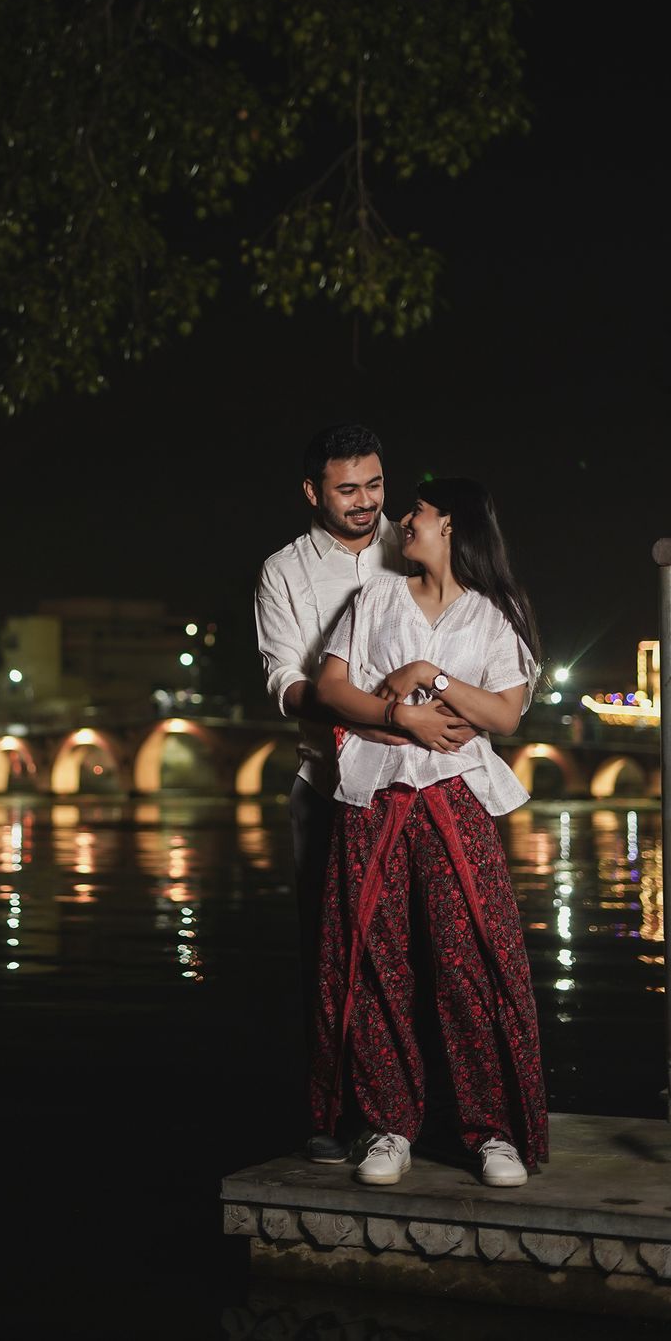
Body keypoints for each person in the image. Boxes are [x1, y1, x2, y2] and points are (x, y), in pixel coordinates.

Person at [309, 477, 549, 1189]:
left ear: (450, 524)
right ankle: (389, 1125)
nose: (401, 520)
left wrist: (427, 676)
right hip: (376, 791)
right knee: (374, 954)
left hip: (456, 794)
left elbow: (505, 715)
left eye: (415, 511)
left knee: (470, 955)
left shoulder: (492, 613)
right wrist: (400, 717)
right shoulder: (375, 597)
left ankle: (492, 1130)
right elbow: (330, 688)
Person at [255, 424, 474, 1163]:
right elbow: (287, 684)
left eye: (375, 485)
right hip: (330, 786)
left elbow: (486, 623)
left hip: (430, 788)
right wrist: (376, 713)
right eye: (346, 489)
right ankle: (336, 1109)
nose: (365, 502)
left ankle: (430, 1110)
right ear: (312, 490)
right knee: (332, 952)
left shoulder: (414, 541)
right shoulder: (284, 570)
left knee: (435, 948)